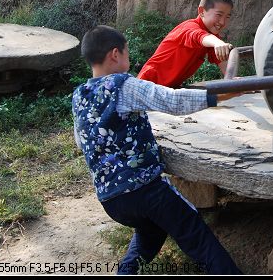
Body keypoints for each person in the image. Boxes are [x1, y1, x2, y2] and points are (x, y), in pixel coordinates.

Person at [72, 25, 242, 274]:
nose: (129, 59)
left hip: (111, 200)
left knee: (151, 230)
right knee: (194, 232)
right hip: (147, 191)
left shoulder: (79, 95)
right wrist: (218, 97)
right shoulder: (124, 86)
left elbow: (81, 140)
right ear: (115, 54)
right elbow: (171, 100)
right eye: (128, 53)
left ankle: (126, 272)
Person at [138, 0, 234, 88]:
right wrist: (218, 43)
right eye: (219, 15)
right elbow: (199, 36)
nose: (222, 22)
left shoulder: (212, 38)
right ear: (201, 11)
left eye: (227, 17)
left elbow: (224, 65)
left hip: (168, 89)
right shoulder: (189, 28)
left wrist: (234, 81)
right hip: (148, 84)